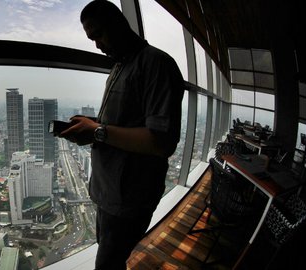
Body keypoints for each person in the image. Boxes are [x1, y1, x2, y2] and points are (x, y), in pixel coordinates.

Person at [59, 0, 185, 269]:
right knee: (111, 259)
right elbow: (123, 123)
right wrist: (92, 124)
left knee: (107, 264)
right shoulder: (119, 67)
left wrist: (98, 131)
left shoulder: (156, 65)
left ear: (118, 23)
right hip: (107, 192)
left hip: (130, 196)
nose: (97, 45)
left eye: (98, 35)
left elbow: (162, 142)